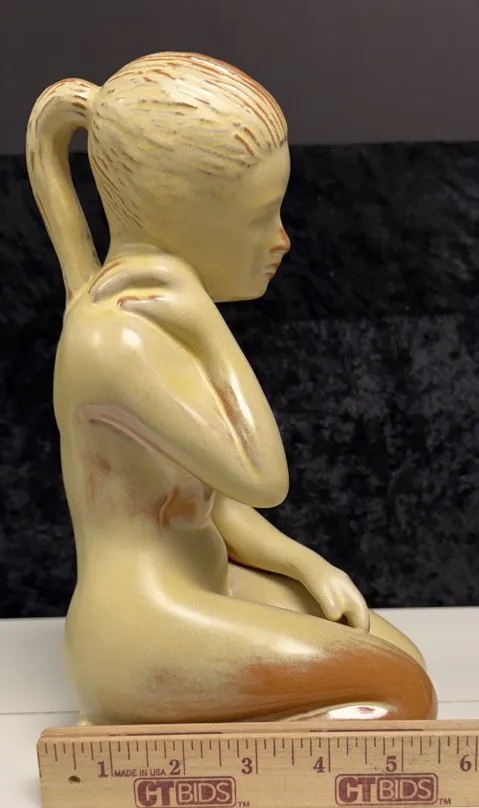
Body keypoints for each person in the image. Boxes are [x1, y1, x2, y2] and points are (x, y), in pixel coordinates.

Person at [26, 52, 437, 724]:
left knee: (403, 661)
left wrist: (302, 563)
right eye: (261, 217)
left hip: (210, 584)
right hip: (138, 627)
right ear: (180, 213)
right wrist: (206, 326)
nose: (281, 240)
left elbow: (211, 505)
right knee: (401, 695)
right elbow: (263, 479)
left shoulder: (150, 320)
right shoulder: (113, 340)